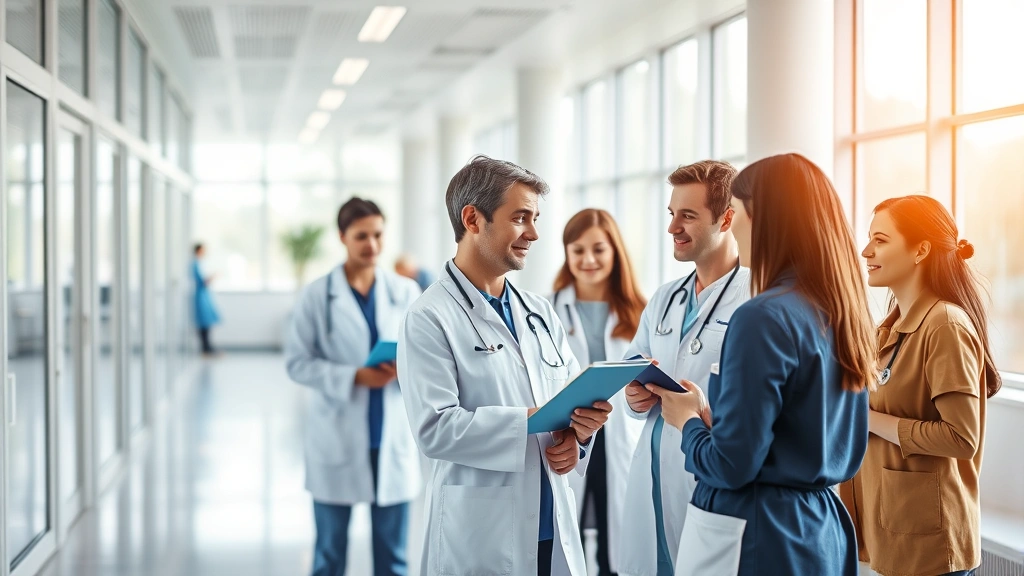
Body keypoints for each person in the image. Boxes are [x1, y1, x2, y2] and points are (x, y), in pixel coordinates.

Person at [648, 153, 876, 576]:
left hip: (756, 533)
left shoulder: (761, 316)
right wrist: (719, 418)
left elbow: (730, 466)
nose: (736, 228)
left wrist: (689, 421)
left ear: (766, 221)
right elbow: (801, 429)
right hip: (817, 528)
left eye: (743, 215)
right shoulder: (841, 311)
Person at [397, 156, 613, 576]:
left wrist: (578, 434)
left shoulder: (539, 311)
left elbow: (569, 396)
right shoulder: (429, 316)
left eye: (535, 218)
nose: (533, 233)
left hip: (551, 523)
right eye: (520, 218)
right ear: (473, 219)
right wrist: (530, 422)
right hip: (484, 530)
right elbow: (435, 429)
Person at [838, 195, 1001, 576]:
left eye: (880, 240)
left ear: (921, 250)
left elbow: (961, 438)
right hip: (892, 534)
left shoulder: (945, 324)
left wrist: (868, 419)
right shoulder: (891, 326)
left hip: (929, 547)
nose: (865, 251)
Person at [615, 160, 750, 576]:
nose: (673, 227)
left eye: (688, 216)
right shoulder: (664, 298)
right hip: (652, 472)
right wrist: (634, 394)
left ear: (726, 218)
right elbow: (633, 366)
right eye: (672, 214)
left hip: (706, 473)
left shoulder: (755, 297)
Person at [284, 198, 423, 576]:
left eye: (378, 235)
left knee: (393, 560)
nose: (372, 245)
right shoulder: (317, 296)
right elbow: (297, 363)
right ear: (342, 237)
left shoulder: (406, 292)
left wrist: (405, 367)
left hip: (391, 437)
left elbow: (427, 356)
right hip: (337, 437)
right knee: (329, 557)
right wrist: (354, 376)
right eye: (362, 236)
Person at [549, 209, 647, 576]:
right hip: (569, 437)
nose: (588, 260)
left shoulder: (639, 312)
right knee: (566, 542)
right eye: (578, 251)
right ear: (567, 254)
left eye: (598, 250)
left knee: (616, 548)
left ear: (615, 252)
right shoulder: (546, 310)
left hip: (621, 440)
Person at [192, 243, 221, 355]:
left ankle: (208, 347)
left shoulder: (200, 263)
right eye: (203, 250)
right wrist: (212, 277)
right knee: (203, 322)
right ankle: (205, 348)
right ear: (198, 251)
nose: (204, 252)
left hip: (204, 295)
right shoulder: (195, 264)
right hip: (200, 296)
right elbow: (202, 281)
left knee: (207, 322)